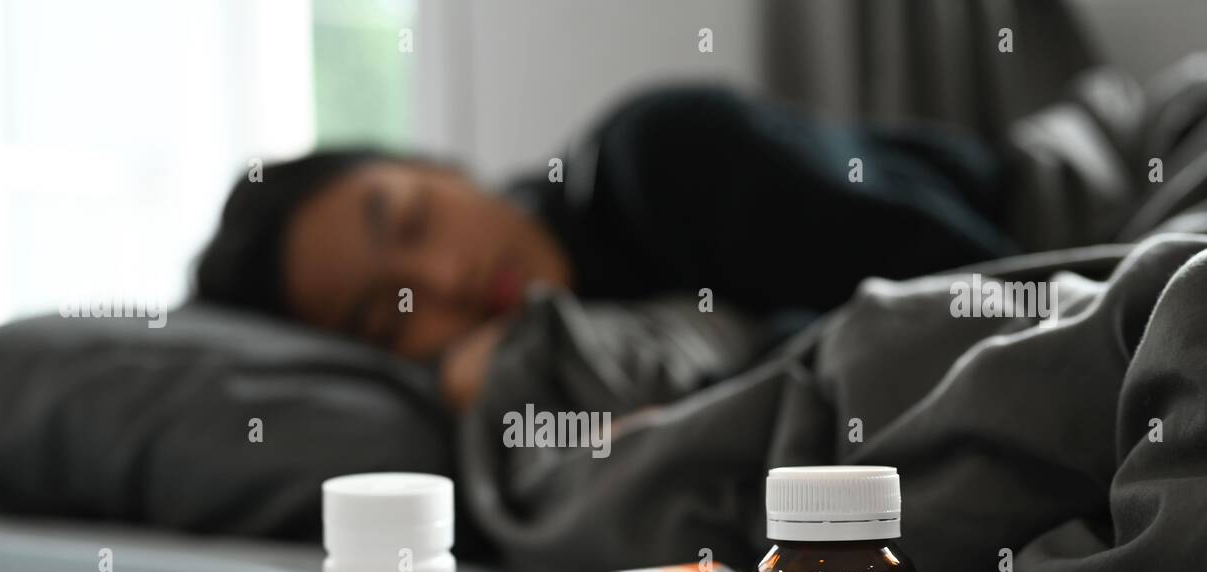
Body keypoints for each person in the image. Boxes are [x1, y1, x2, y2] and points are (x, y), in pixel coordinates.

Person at [195, 85, 1018, 410]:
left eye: (411, 220)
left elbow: (999, 299)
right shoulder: (522, 381)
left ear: (433, 165)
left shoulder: (661, 159)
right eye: (385, 314)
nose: (444, 277)